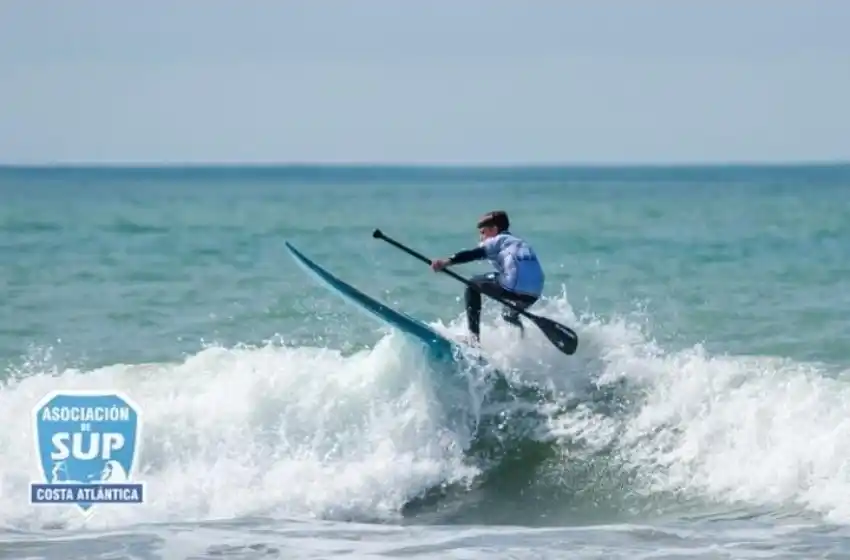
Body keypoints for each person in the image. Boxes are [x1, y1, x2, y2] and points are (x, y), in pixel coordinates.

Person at [430, 210, 545, 343]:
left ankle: (474, 339)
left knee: (472, 285)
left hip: (514, 286)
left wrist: (445, 262)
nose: (481, 238)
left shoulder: (498, 240)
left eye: (483, 232)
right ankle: (522, 337)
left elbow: (474, 254)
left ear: (494, 229)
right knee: (508, 314)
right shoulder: (519, 242)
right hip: (534, 292)